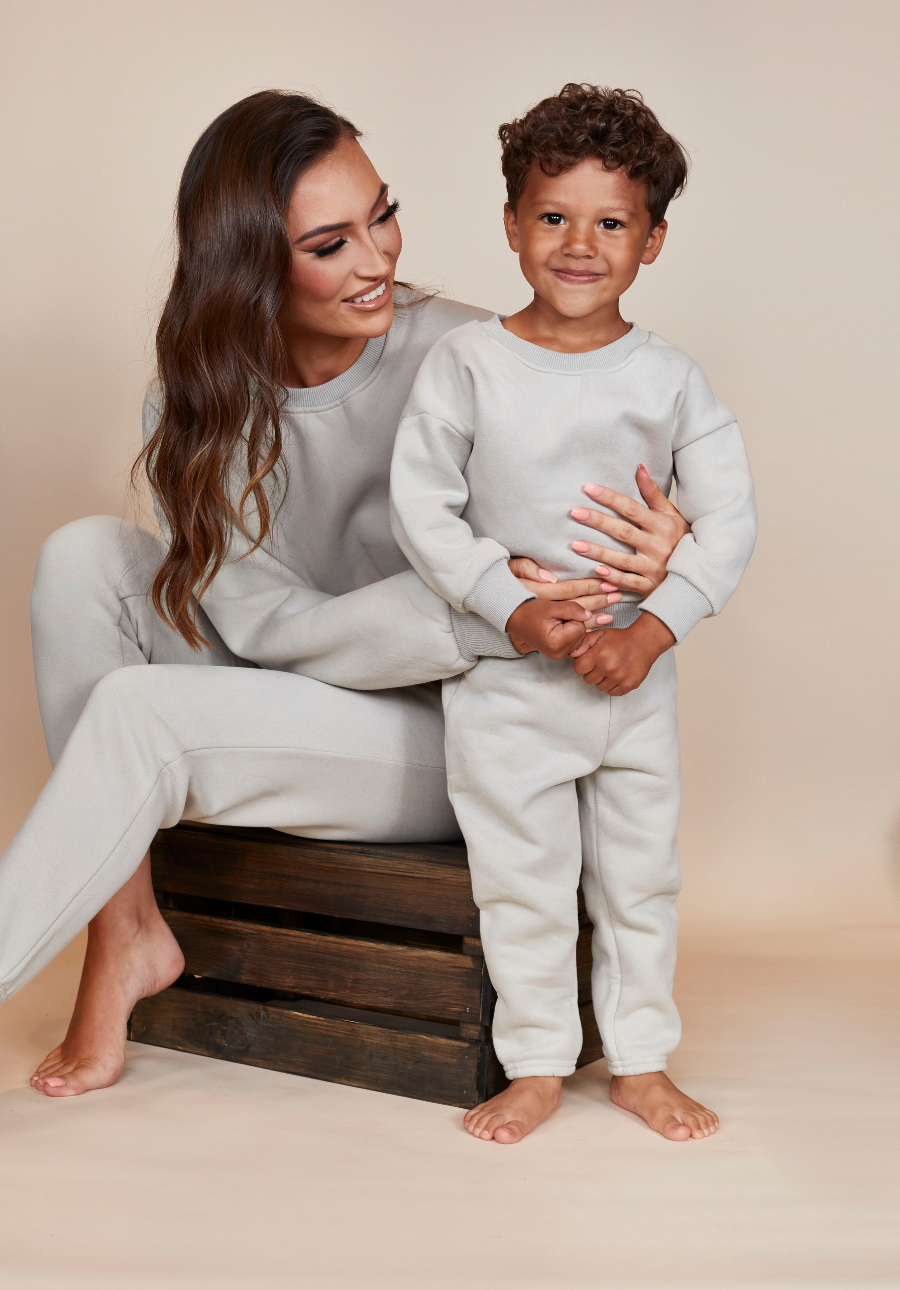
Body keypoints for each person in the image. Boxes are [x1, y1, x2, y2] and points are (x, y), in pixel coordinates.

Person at [2, 89, 690, 1100]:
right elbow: (259, 625)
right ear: (248, 265)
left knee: (142, 711)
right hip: (295, 686)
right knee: (81, 559)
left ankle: (104, 945)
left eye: (383, 213)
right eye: (330, 242)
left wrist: (661, 541)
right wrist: (455, 613)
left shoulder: (481, 362)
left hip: (446, 733)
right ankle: (126, 930)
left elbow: (557, 583)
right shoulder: (197, 397)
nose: (378, 261)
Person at [390, 84, 757, 1144]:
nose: (580, 243)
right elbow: (423, 506)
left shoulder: (671, 379)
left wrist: (651, 630)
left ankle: (641, 1060)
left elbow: (729, 519)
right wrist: (508, 608)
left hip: (635, 682)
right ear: (512, 225)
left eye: (612, 222)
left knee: (641, 881)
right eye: (554, 217)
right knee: (525, 887)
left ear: (653, 239)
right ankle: (540, 1063)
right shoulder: (466, 365)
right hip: (509, 688)